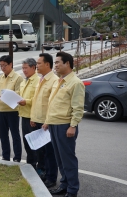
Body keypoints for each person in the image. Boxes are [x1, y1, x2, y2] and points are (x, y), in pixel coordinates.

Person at [44, 52, 85, 197]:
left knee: (68, 158)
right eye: (54, 63)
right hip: (54, 124)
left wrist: (73, 125)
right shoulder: (58, 81)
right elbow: (54, 103)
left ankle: (72, 190)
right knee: (59, 158)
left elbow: (78, 107)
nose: (55, 65)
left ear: (67, 63)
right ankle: (64, 184)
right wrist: (48, 121)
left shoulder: (75, 83)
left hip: (65, 125)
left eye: (57, 63)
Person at [30, 53, 59, 188]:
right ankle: (44, 174)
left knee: (50, 152)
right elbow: (37, 100)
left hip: (47, 123)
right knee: (41, 151)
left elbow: (52, 104)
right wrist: (33, 117)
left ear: (47, 64)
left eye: (39, 63)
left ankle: (51, 178)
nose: (37, 66)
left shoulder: (54, 80)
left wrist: (47, 121)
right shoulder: (41, 79)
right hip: (38, 120)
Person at [0, 55, 23, 162]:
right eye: (1, 66)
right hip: (1, 110)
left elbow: (19, 93)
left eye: (4, 65)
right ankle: (5, 156)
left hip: (12, 111)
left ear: (11, 64)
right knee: (3, 135)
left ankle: (17, 157)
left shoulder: (17, 78)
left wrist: (5, 96)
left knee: (15, 134)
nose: (2, 68)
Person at [17, 58, 39, 168]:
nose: (24, 70)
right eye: (22, 68)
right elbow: (21, 94)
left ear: (33, 67)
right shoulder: (24, 81)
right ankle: (30, 164)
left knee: (34, 143)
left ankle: (35, 166)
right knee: (27, 142)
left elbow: (37, 99)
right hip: (23, 115)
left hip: (32, 116)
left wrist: (26, 101)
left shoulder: (38, 81)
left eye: (26, 68)